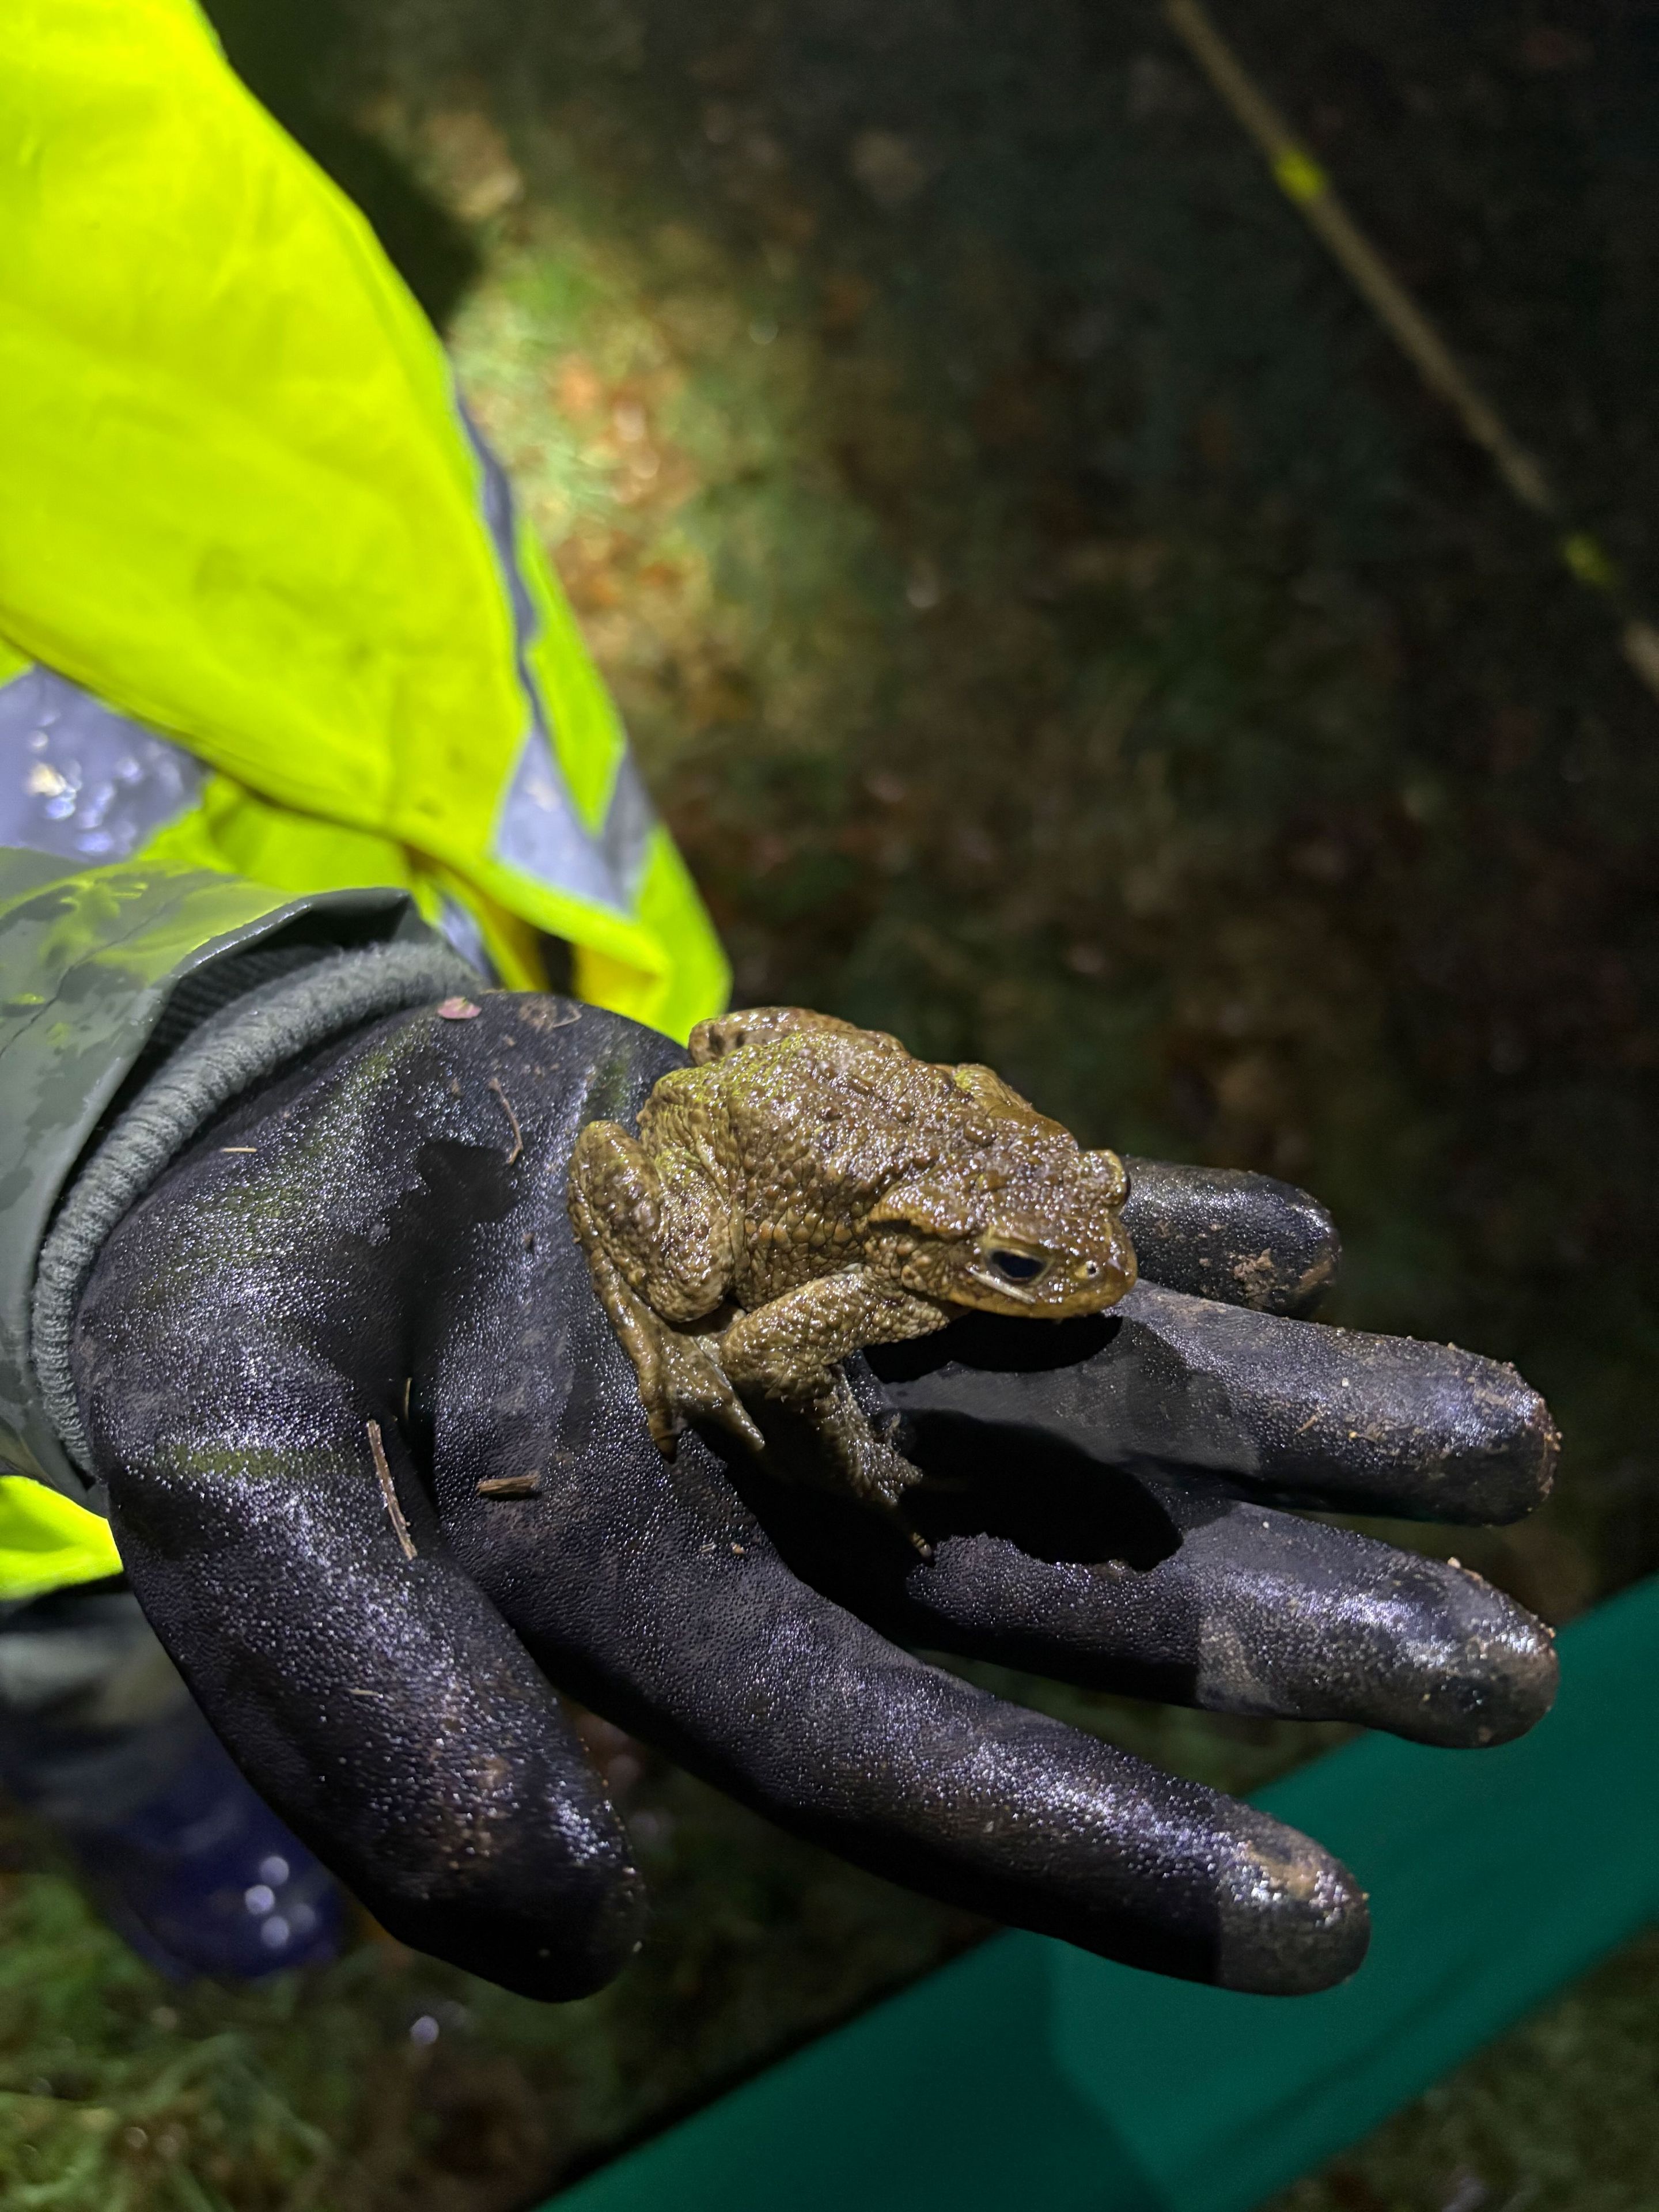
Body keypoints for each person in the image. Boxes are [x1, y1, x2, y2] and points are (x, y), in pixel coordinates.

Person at [0, 0, 1559, 1997]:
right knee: (135, 1594)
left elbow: (957, 1114)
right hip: (152, 1279)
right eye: (1022, 1272)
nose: (1065, 1276)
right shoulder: (883, 1270)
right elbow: (765, 1345)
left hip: (270, 518)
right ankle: (140, 1777)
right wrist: (80, 1112)